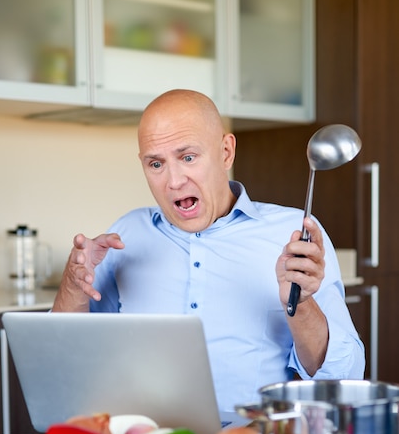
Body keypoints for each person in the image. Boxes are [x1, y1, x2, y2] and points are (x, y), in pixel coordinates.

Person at [53, 89, 365, 411]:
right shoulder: (127, 234)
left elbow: (343, 378)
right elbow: (63, 359)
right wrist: (73, 286)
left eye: (188, 158)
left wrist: (301, 305)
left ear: (226, 152)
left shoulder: (294, 236)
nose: (173, 181)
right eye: (156, 163)